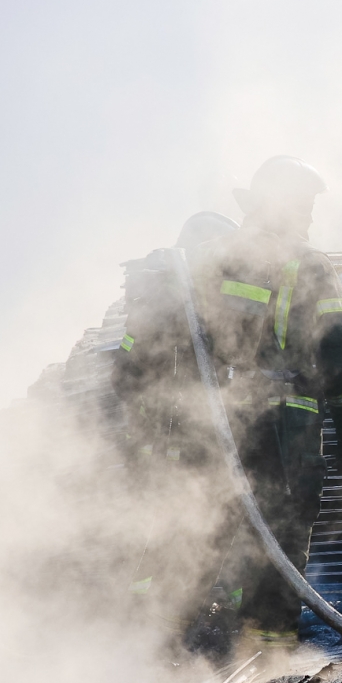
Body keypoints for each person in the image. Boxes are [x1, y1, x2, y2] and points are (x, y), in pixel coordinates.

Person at [189, 155, 342, 645]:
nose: (310, 217)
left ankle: (172, 638)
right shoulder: (308, 265)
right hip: (287, 421)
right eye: (306, 205)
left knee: (207, 522)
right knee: (283, 526)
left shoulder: (209, 256)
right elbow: (339, 350)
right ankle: (266, 649)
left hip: (214, 418)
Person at [111, 211, 239, 634]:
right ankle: (162, 629)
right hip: (178, 440)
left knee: (179, 528)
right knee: (183, 529)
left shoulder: (184, 299)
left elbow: (127, 373)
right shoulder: (174, 300)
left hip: (171, 438)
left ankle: (158, 623)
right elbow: (131, 373)